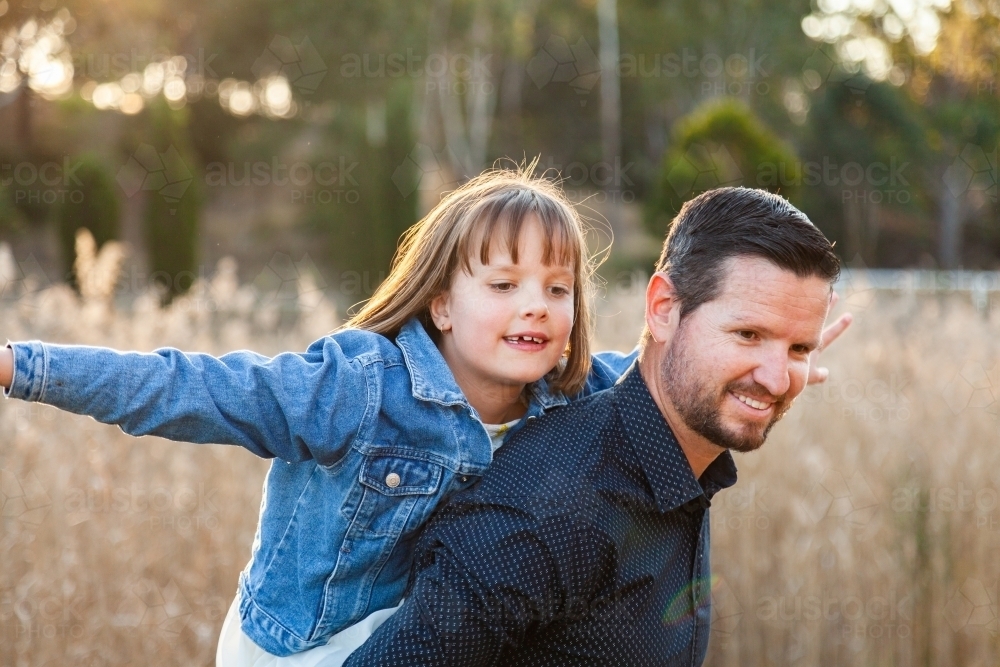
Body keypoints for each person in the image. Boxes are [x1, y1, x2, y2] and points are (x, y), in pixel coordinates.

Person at [0, 165, 638, 666]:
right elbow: (188, 388)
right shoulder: (357, 389)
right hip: (302, 649)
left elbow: (673, 365)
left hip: (422, 646)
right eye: (504, 285)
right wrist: (19, 366)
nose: (537, 307)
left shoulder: (577, 397)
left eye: (558, 289)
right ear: (442, 306)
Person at [340, 186, 847, 667]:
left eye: (798, 347)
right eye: (748, 334)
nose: (778, 379)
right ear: (664, 309)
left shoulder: (679, 461)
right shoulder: (545, 514)